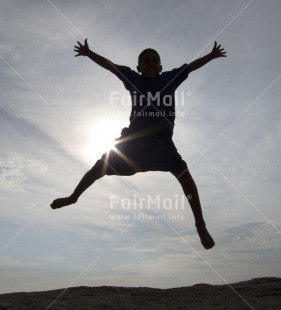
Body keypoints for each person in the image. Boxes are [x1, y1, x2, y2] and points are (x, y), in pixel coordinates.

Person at [51, 38, 226, 249]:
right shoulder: (133, 79)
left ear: (161, 67)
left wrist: (211, 55)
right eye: (146, 61)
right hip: (133, 146)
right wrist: (89, 54)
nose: (151, 64)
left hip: (161, 145)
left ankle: (200, 223)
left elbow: (191, 67)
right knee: (101, 166)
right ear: (139, 68)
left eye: (155, 61)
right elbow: (111, 66)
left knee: (185, 178)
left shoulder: (170, 79)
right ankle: (74, 197)